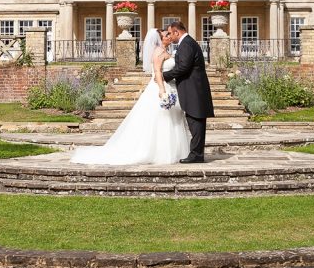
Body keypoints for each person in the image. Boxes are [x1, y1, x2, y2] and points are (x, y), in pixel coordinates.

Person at [70, 28, 190, 165]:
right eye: (166, 35)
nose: (169, 36)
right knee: (162, 119)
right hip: (160, 87)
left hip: (169, 86)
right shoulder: (159, 51)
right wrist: (162, 91)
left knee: (169, 119)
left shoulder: (164, 51)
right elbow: (157, 71)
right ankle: (162, 153)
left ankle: (173, 151)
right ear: (160, 39)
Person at [160, 21, 215, 163]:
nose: (170, 37)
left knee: (195, 121)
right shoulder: (187, 43)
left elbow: (184, 67)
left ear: (177, 32)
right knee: (194, 121)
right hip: (193, 88)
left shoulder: (186, 44)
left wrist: (165, 76)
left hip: (194, 89)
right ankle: (196, 153)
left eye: (171, 33)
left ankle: (196, 155)